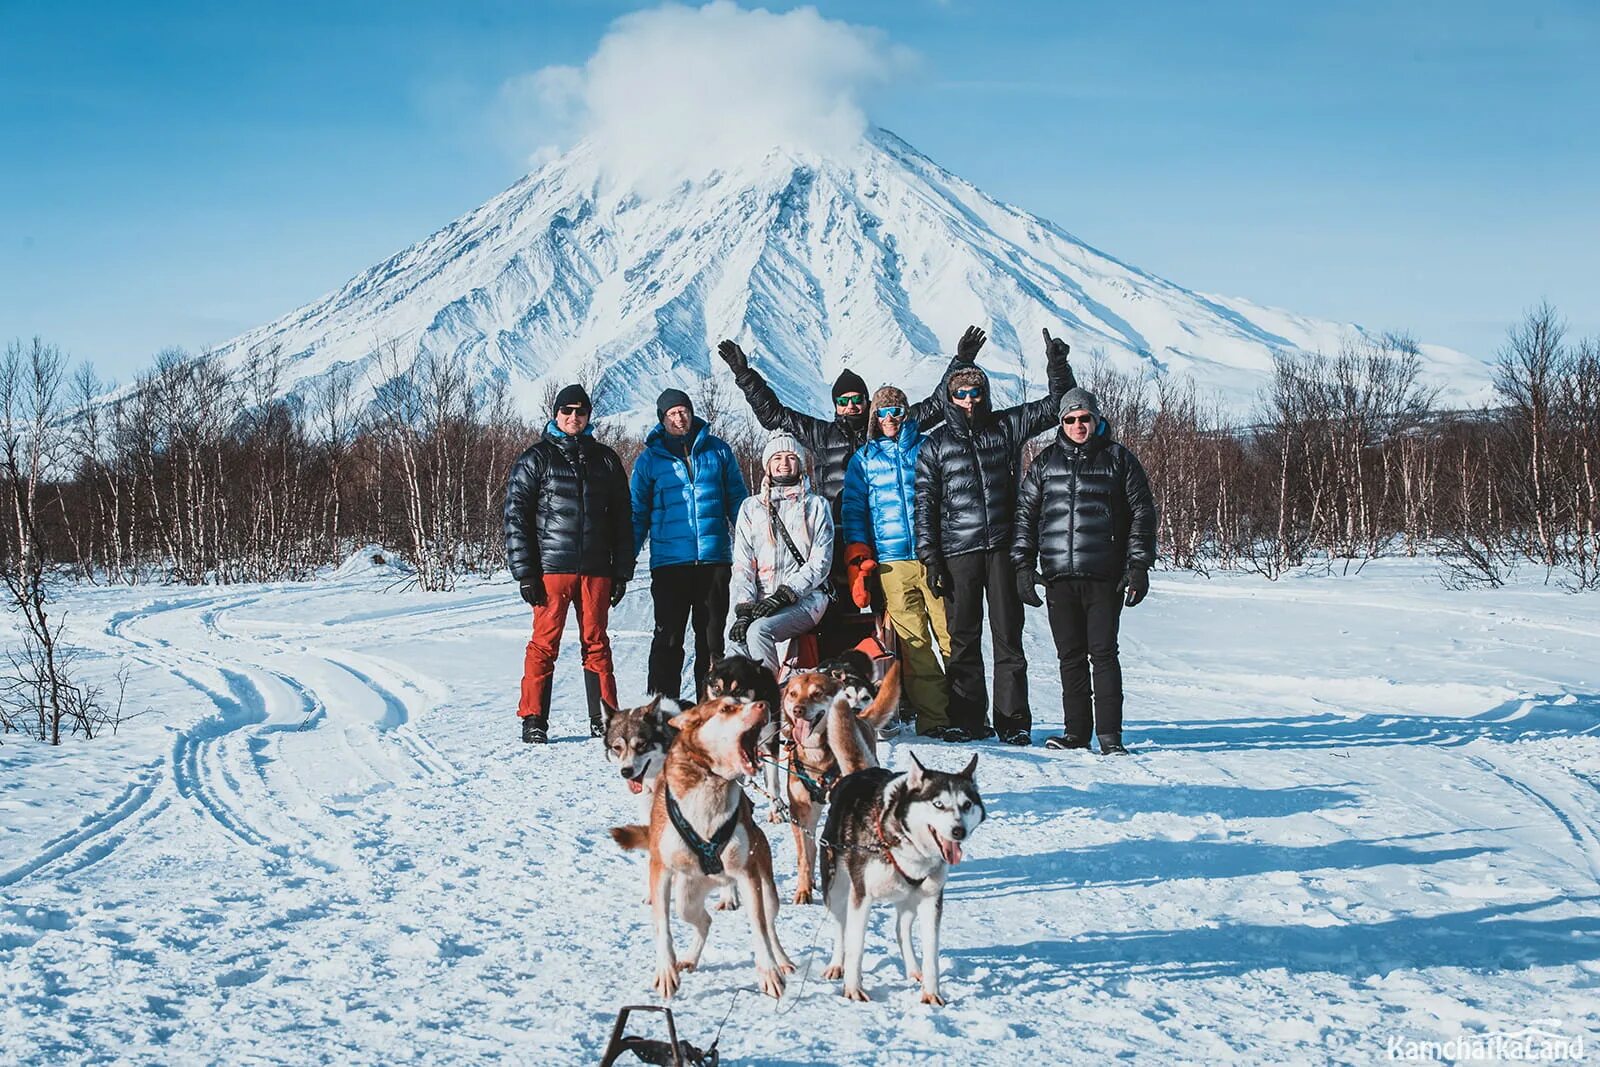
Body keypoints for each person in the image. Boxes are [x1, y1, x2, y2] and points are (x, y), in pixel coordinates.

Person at [914, 329, 1075, 745]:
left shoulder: (1005, 427)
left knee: (1009, 638)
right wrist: (930, 557)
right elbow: (925, 504)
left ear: (985, 394)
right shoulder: (935, 445)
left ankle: (1013, 722)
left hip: (1002, 548)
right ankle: (967, 720)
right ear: (951, 398)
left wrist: (1057, 365)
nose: (969, 400)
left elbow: (1057, 405)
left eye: (976, 392)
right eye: (961, 393)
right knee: (963, 640)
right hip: (957, 552)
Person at [1011, 387, 1156, 756]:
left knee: (1103, 653)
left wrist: (1138, 566)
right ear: (1061, 423)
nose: (1078, 425)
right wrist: (1023, 567)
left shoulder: (1118, 459)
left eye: (1084, 418)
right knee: (1070, 656)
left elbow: (1142, 514)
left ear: (1095, 419)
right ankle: (1076, 732)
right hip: (1060, 576)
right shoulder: (1044, 464)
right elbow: (1025, 518)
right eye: (1070, 419)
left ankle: (1110, 735)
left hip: (1104, 575)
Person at [503, 384, 634, 744]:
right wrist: (526, 572)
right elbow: (516, 517)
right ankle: (533, 718)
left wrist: (622, 570)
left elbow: (624, 518)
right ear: (555, 414)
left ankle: (605, 719)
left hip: (597, 569)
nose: (573, 418)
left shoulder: (606, 460)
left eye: (580, 412)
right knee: (544, 643)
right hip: (552, 569)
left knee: (596, 642)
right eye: (567, 411)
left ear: (589, 416)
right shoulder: (536, 458)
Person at [840, 385, 952, 737]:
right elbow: (854, 510)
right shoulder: (864, 459)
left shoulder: (927, 447)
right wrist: (858, 557)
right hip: (891, 562)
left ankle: (967, 713)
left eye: (897, 412)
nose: (890, 420)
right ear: (875, 418)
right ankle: (935, 719)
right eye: (883, 413)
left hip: (933, 555)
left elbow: (949, 497)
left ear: (907, 414)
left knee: (951, 636)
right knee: (915, 644)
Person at [630, 388, 749, 701]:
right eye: (671, 413)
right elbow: (637, 513)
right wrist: (624, 561)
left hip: (714, 561)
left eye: (683, 410)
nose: (679, 417)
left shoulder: (719, 451)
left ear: (692, 412)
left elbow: (737, 500)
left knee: (710, 641)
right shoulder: (650, 460)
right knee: (668, 637)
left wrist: (753, 541)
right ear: (662, 419)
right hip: (670, 564)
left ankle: (708, 707)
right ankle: (661, 707)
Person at [726, 432, 834, 673]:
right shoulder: (751, 508)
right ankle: (740, 705)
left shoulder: (816, 506)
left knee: (758, 631)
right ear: (767, 465)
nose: (784, 463)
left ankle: (770, 702)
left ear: (800, 464)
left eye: (790, 457)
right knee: (736, 641)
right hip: (760, 600)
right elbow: (743, 563)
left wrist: (786, 594)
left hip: (805, 599)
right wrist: (744, 609)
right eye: (777, 458)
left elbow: (821, 561)